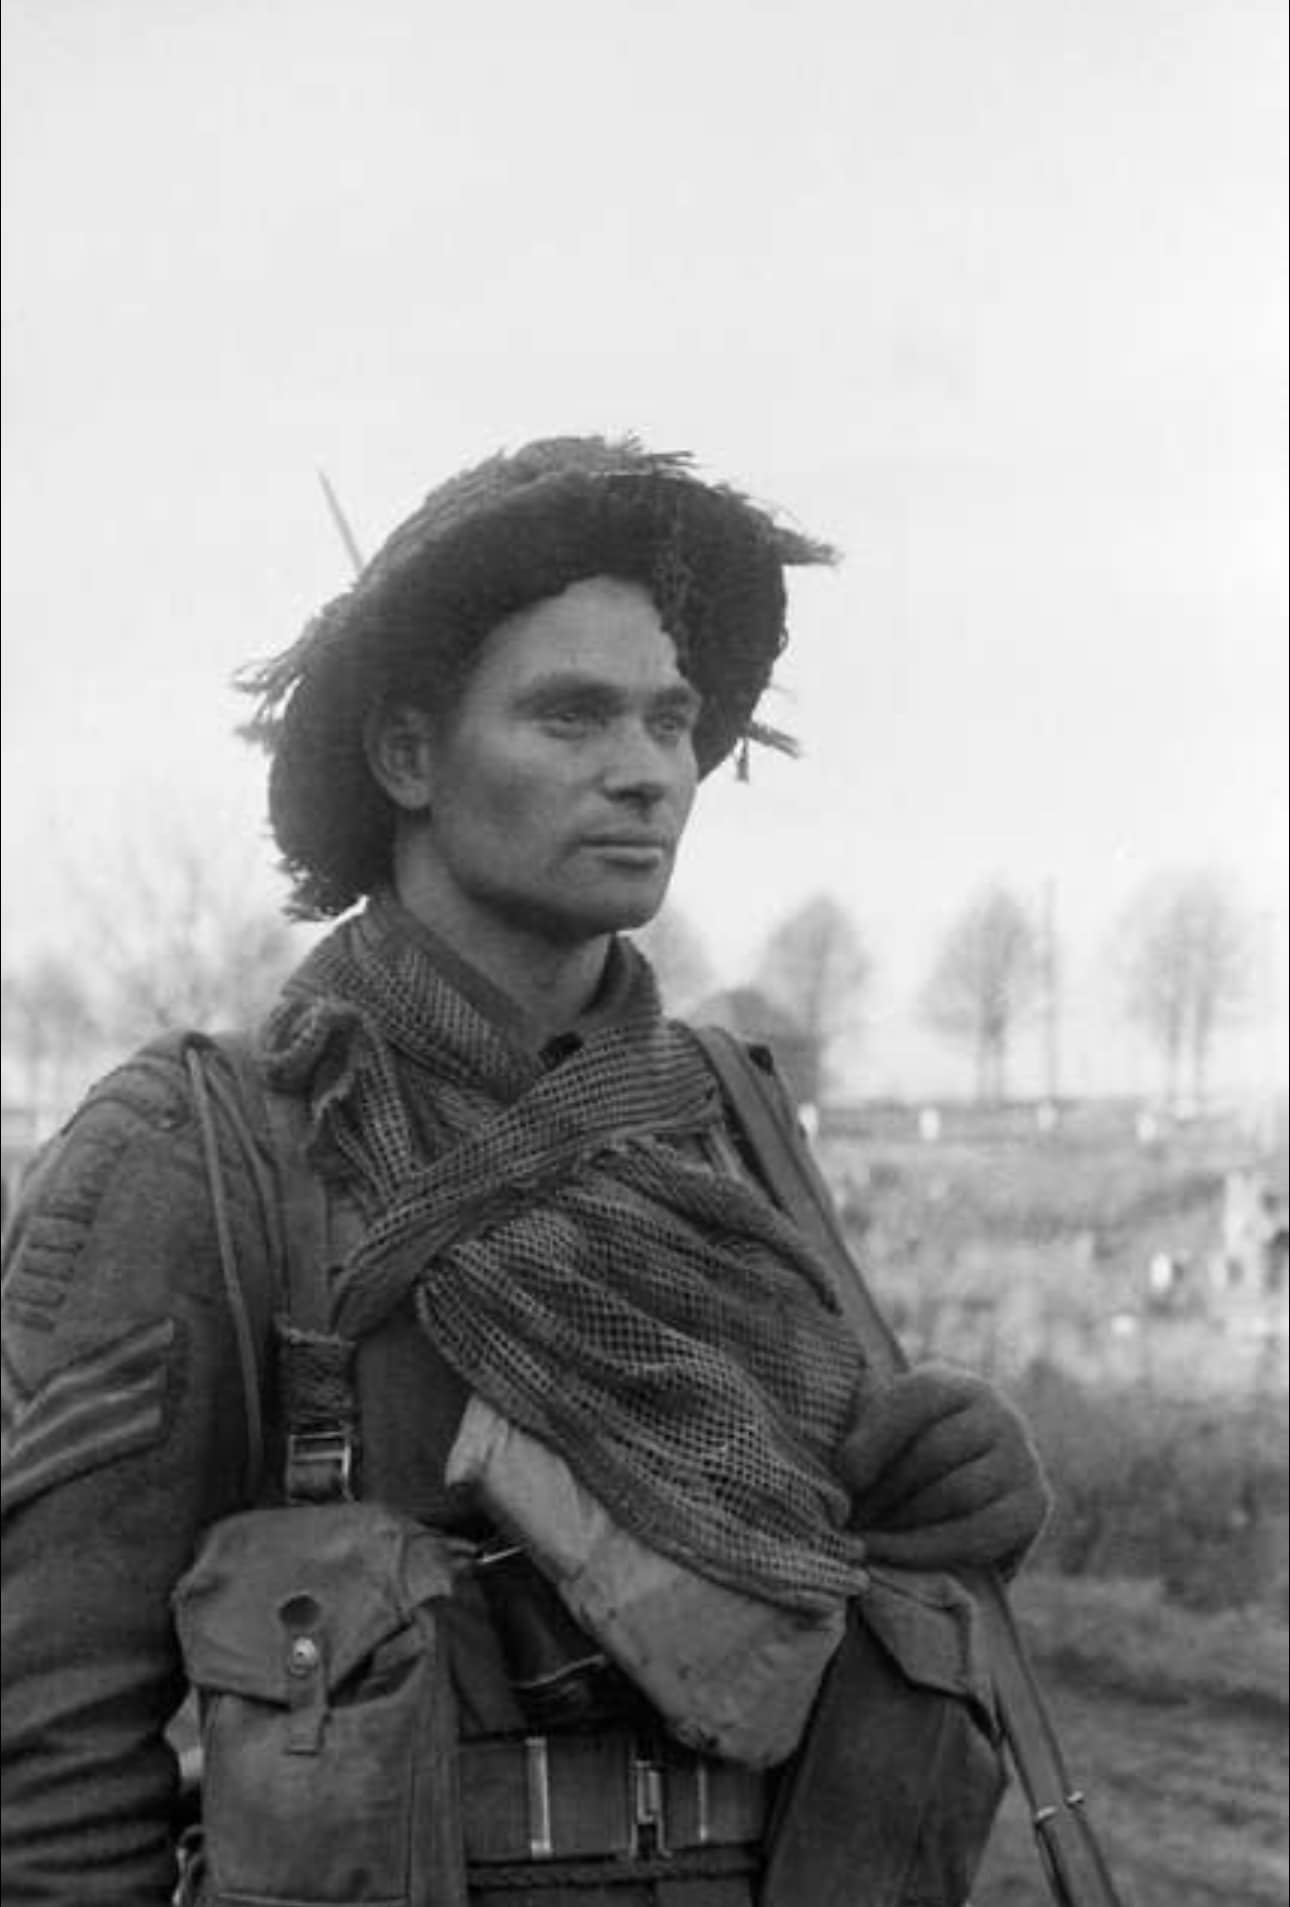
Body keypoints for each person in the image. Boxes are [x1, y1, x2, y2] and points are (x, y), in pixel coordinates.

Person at [1, 435, 1049, 1906]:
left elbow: (807, 1550)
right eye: (570, 716)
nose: (644, 772)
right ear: (409, 755)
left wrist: (944, 1484)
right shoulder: (207, 1158)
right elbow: (41, 1751)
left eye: (671, 720)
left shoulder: (726, 1126)